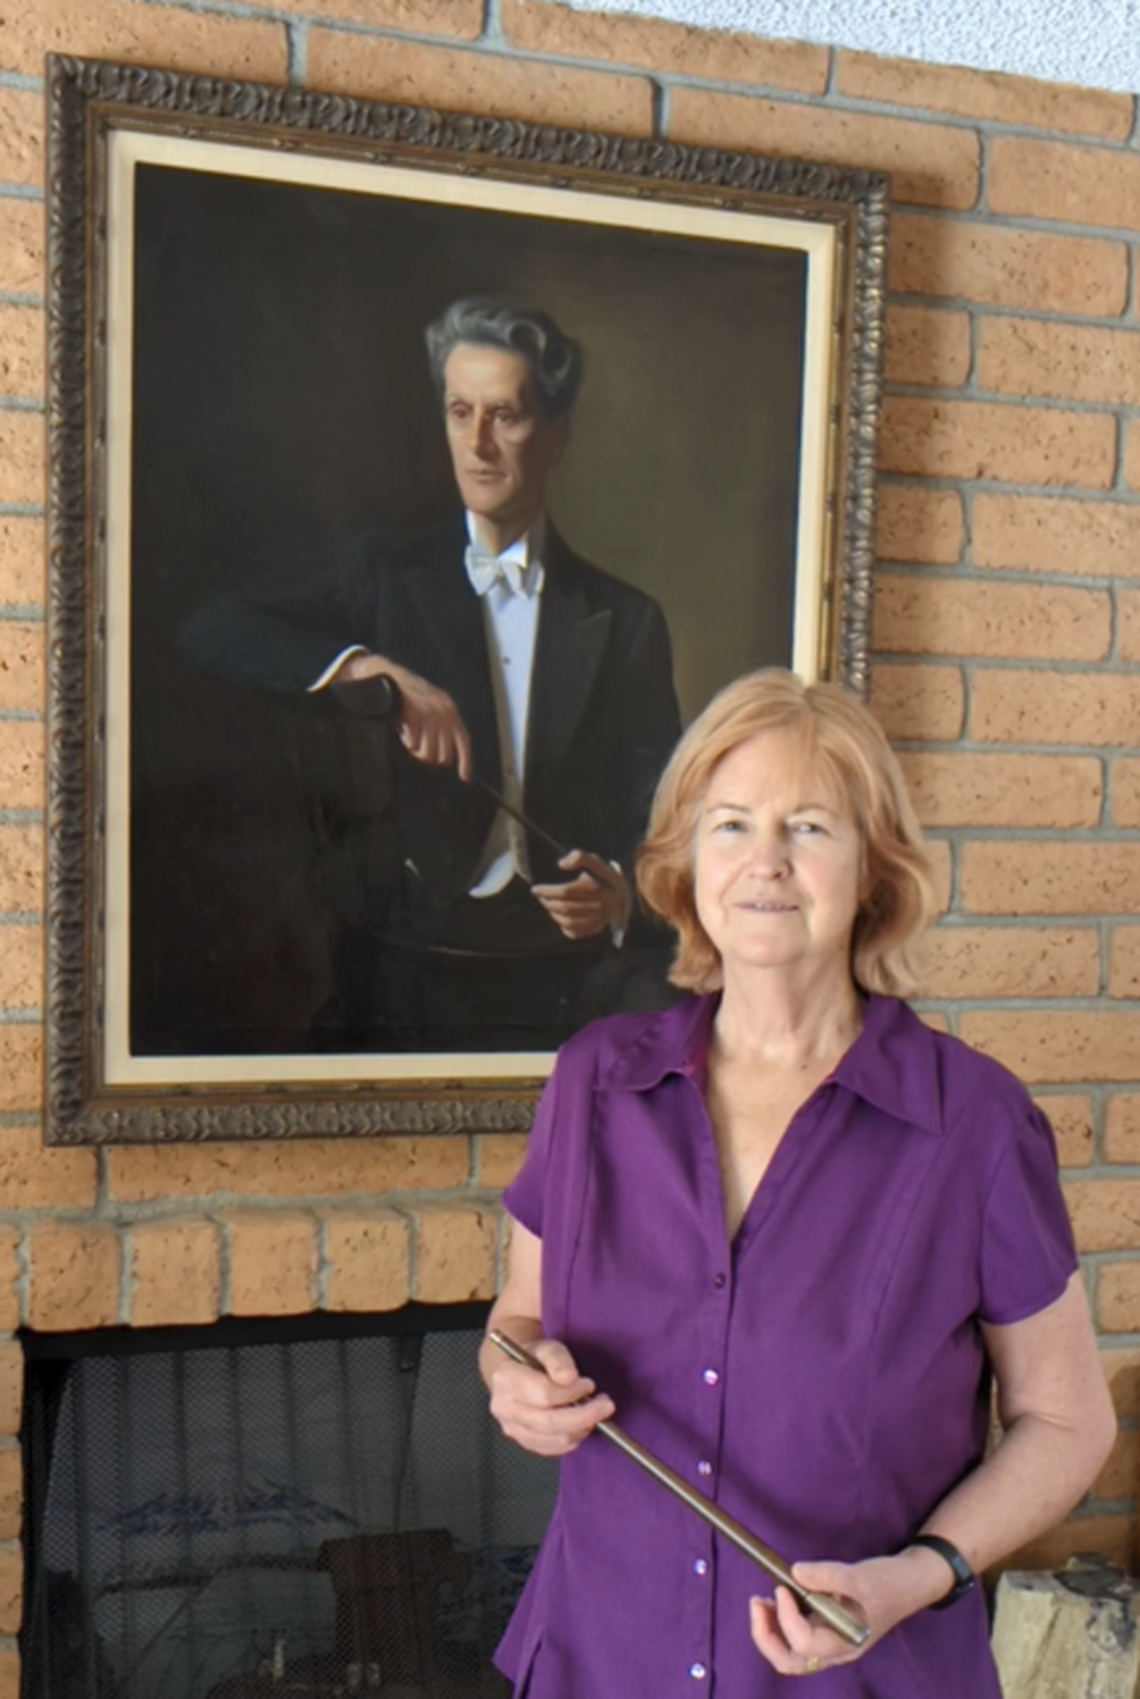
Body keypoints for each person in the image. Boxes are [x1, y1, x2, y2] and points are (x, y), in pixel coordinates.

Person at [480, 669, 1115, 1696]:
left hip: (862, 1677)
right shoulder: (592, 1080)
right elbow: (515, 1321)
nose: (765, 861)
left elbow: (1070, 1419)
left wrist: (921, 1573)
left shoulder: (977, 1123)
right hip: (604, 1653)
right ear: (688, 861)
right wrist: (516, 1384)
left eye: (810, 827)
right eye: (730, 824)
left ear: (872, 867)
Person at [181, 297, 681, 1049]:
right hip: (411, 944)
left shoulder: (628, 619)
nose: (477, 444)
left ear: (555, 434)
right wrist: (362, 664)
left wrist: (615, 890)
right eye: (458, 412)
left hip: (564, 965)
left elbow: (666, 821)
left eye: (505, 415)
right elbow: (210, 627)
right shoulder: (387, 574)